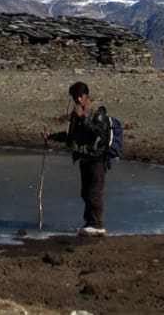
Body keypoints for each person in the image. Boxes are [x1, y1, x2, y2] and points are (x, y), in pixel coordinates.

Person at [42, 81, 110, 236]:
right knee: (85, 192)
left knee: (94, 192)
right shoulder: (76, 114)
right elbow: (71, 136)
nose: (75, 100)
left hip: (97, 158)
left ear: (84, 96)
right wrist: (52, 136)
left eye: (77, 97)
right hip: (84, 157)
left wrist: (82, 118)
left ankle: (97, 225)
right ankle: (89, 223)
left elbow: (98, 133)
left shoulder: (97, 111)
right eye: (73, 97)